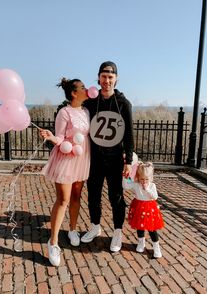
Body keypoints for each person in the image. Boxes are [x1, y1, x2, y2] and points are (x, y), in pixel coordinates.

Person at [81, 61, 134, 252]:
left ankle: (118, 231)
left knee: (116, 197)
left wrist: (128, 160)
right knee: (93, 194)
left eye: (110, 77)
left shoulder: (123, 104)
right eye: (104, 77)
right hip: (94, 158)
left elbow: (129, 135)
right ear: (98, 77)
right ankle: (95, 226)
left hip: (114, 160)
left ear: (116, 79)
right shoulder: (90, 102)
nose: (107, 80)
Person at [40, 78, 90, 266]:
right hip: (66, 159)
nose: (87, 89)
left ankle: (72, 229)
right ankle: (53, 242)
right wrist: (51, 137)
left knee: (77, 196)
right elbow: (60, 136)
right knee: (63, 200)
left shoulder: (86, 111)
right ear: (74, 93)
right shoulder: (64, 112)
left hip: (82, 158)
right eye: (83, 87)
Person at [126, 161, 164, 258]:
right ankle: (141, 243)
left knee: (152, 229)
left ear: (150, 178)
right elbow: (126, 185)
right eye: (142, 179)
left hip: (149, 209)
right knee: (140, 227)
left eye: (146, 179)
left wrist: (147, 189)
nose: (144, 181)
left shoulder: (152, 185)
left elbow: (155, 197)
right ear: (138, 177)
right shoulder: (136, 184)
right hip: (138, 207)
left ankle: (156, 247)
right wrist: (133, 171)